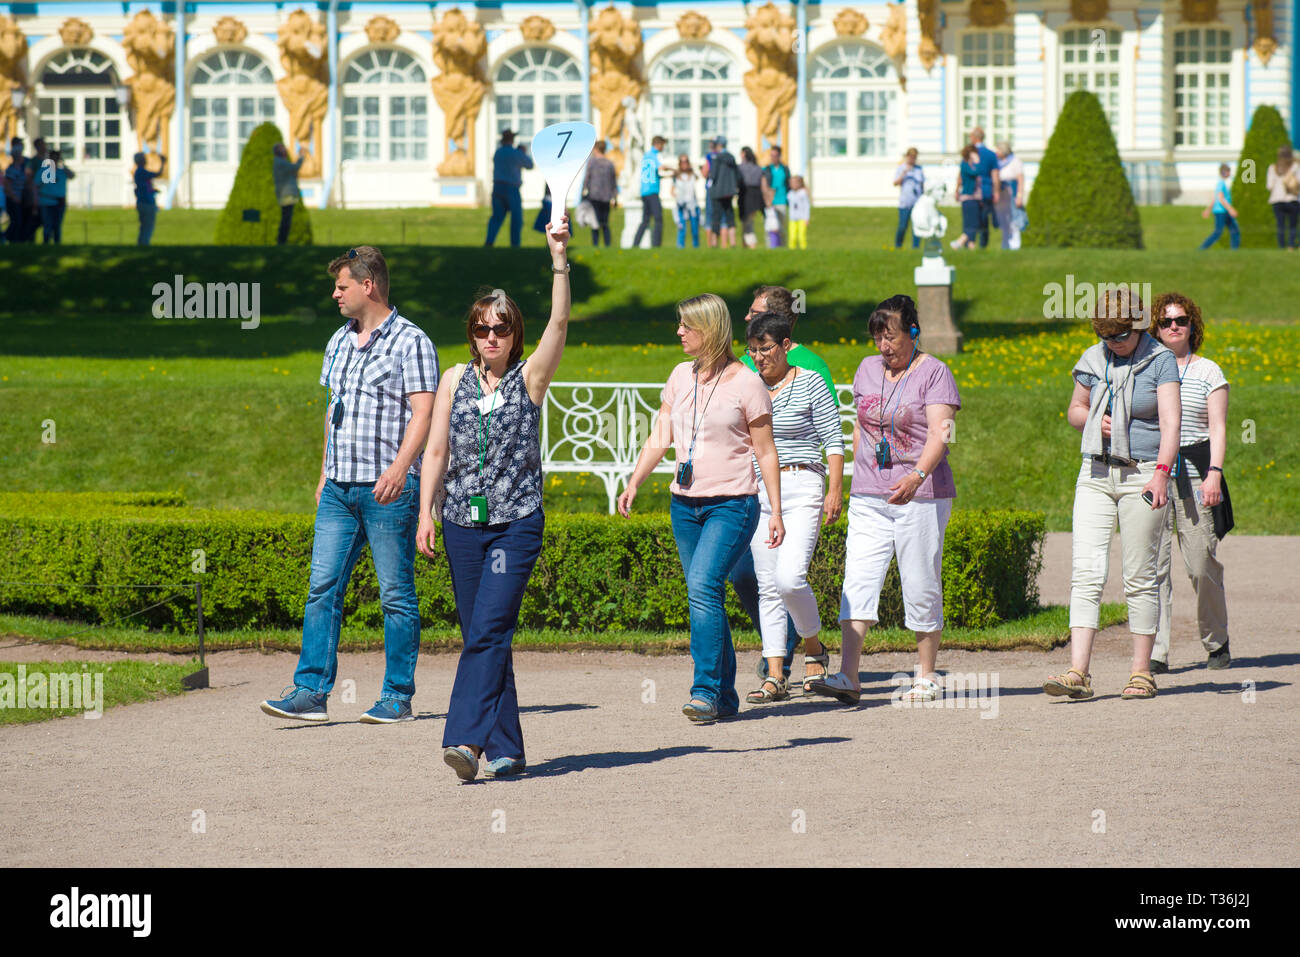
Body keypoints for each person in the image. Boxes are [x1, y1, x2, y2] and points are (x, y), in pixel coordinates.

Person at [418, 215, 571, 781]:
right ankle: (509, 746)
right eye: (482, 328)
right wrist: (424, 514)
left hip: (514, 524)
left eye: (501, 330)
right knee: (484, 632)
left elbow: (560, 321)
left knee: (488, 628)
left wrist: (558, 258)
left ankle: (465, 740)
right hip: (460, 522)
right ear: (471, 333)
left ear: (515, 335)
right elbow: (435, 452)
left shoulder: (529, 379)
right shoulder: (455, 378)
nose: (491, 338)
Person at [261, 246, 440, 724]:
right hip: (339, 488)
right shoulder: (338, 340)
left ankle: (397, 697)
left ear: (370, 285)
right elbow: (331, 410)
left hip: (387, 489)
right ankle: (309, 692)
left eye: (342, 286)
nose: (335, 294)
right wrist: (323, 472)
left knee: (395, 595)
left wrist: (401, 469)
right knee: (321, 588)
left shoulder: (411, 341)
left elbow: (423, 413)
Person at [617, 293, 784, 723]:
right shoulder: (678, 375)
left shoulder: (747, 382)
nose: (678, 332)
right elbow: (661, 434)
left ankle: (705, 690)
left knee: (703, 587)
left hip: (732, 505)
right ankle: (725, 697)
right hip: (684, 505)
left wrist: (777, 511)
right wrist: (635, 480)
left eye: (686, 326)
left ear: (709, 331)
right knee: (704, 593)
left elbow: (765, 452)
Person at [810, 294, 961, 705]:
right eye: (877, 337)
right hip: (869, 495)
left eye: (890, 336)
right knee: (858, 579)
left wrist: (916, 475)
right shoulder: (866, 368)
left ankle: (927, 675)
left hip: (921, 495)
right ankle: (848, 676)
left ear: (913, 331)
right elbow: (861, 428)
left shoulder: (935, 373)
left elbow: (941, 434)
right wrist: (851, 481)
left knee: (920, 580)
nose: (883, 346)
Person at [1045, 288, 1181, 701]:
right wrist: (1093, 420)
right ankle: (1077, 673)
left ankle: (1142, 672)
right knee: (1085, 572)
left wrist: (1161, 475)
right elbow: (1074, 411)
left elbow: (1171, 424)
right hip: (1096, 473)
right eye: (1107, 338)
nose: (1114, 345)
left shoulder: (1160, 362)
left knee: (1139, 576)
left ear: (1138, 328)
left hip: (1142, 474)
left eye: (1120, 337)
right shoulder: (1094, 358)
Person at [734, 285, 837, 687]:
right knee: (761, 582)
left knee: (788, 578)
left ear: (785, 340)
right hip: (756, 488)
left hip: (802, 482)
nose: (758, 355)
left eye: (755, 314)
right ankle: (774, 671)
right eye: (753, 348)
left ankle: (811, 647)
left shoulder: (812, 371)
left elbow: (832, 432)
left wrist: (834, 488)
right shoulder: (745, 372)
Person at [1150, 292, 1231, 673]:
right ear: (1156, 327)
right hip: (1154, 470)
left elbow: (1217, 427)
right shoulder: (1146, 367)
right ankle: (1156, 651)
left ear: (1192, 325)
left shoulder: (1209, 371)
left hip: (1197, 470)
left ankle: (1216, 641)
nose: (1173, 327)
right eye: (1165, 322)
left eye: (1180, 320)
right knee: (1155, 565)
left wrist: (1214, 472)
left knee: (1201, 562)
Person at [485, 129, 533, 248]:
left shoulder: (498, 152)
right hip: (512, 188)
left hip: (497, 187)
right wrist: (522, 152)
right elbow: (529, 165)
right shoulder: (516, 153)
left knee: (496, 217)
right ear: (512, 140)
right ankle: (515, 244)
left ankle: (489, 241)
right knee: (516, 219)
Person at [632, 134, 673, 248]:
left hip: (645, 191)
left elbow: (653, 174)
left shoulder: (646, 155)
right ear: (658, 144)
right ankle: (656, 245)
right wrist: (674, 169)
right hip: (652, 191)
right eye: (662, 145)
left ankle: (635, 244)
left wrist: (667, 176)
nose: (663, 147)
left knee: (645, 220)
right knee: (658, 218)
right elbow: (661, 167)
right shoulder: (653, 155)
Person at [968, 126, 1001, 248]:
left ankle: (970, 243)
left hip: (971, 190)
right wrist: (996, 191)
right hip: (986, 190)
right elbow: (995, 175)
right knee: (984, 219)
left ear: (975, 138)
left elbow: (962, 173)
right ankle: (983, 244)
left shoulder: (969, 153)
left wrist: (958, 189)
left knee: (971, 218)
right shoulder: (991, 154)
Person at [582, 138, 618, 247]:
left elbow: (587, 178)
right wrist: (615, 197)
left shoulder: (592, 162)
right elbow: (613, 182)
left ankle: (596, 244)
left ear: (596, 149)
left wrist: (584, 191)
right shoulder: (609, 163)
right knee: (605, 222)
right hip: (607, 196)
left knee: (595, 222)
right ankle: (607, 244)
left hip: (595, 195)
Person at [705, 135, 738, 249]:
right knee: (730, 216)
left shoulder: (716, 158)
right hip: (729, 191)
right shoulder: (731, 158)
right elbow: (736, 175)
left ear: (719, 145)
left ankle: (714, 242)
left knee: (716, 217)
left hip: (717, 192)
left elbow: (712, 175)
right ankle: (733, 242)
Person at [37, 149, 74, 244]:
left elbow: (72, 175)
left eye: (57, 158)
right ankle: (46, 244)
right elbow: (36, 186)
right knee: (47, 226)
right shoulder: (43, 171)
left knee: (57, 226)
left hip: (59, 203)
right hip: (46, 202)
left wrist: (64, 164)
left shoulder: (62, 172)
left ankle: (57, 245)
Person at [1266, 145, 1299, 250]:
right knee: (1292, 225)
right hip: (1292, 199)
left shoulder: (1273, 168)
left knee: (1280, 225)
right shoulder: (1296, 167)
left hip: (1277, 200)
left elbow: (1269, 186)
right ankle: (1291, 246)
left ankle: (1281, 247)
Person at [1199, 164, 1239, 250]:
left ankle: (1235, 251)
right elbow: (1220, 198)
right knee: (1218, 232)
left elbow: (1215, 198)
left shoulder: (1220, 183)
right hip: (1222, 211)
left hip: (1221, 211)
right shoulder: (1221, 184)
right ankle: (1202, 248)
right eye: (1228, 171)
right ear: (1224, 172)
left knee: (1234, 230)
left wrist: (1208, 209)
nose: (1229, 173)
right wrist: (1231, 209)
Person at [273, 142, 306, 245]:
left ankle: (282, 240)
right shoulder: (280, 162)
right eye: (283, 149)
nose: (285, 150)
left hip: (285, 193)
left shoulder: (280, 162)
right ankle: (282, 240)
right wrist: (301, 157)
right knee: (286, 218)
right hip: (286, 194)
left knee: (286, 217)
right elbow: (295, 167)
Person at [950, 145, 982, 250]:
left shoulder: (967, 164)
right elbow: (976, 172)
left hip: (972, 197)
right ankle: (959, 243)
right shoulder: (965, 164)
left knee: (969, 223)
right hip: (969, 197)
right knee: (973, 224)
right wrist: (977, 162)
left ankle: (970, 245)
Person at [995, 141, 1025, 250]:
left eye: (998, 149)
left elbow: (1020, 180)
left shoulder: (1015, 161)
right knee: (1003, 220)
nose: (996, 152)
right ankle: (1005, 244)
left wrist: (1020, 196)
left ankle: (1015, 245)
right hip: (1002, 194)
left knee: (1014, 220)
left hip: (1012, 193)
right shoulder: (997, 162)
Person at [893, 148, 924, 249]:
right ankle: (898, 245)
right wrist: (904, 173)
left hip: (917, 202)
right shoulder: (901, 168)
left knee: (917, 226)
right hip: (905, 202)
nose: (912, 159)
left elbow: (922, 184)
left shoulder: (919, 169)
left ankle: (916, 247)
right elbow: (895, 183)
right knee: (903, 226)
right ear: (907, 157)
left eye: (914, 157)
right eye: (911, 157)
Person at [133, 151, 165, 247]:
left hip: (144, 202)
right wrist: (162, 162)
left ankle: (142, 244)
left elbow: (143, 187)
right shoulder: (141, 172)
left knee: (145, 226)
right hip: (146, 203)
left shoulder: (139, 172)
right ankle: (144, 245)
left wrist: (153, 190)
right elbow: (158, 174)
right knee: (147, 226)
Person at [762, 145, 790, 247]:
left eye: (775, 155)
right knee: (769, 226)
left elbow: (788, 183)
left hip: (781, 200)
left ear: (779, 156)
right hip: (770, 201)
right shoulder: (767, 169)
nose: (773, 158)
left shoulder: (785, 169)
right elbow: (764, 185)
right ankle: (770, 246)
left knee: (781, 227)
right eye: (771, 156)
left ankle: (783, 246)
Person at [737, 147, 766, 249]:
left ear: (744, 154)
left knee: (747, 223)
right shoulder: (757, 168)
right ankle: (745, 245)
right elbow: (763, 185)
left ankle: (752, 244)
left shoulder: (740, 168)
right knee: (748, 222)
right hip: (756, 197)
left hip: (746, 196)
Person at [4, 138, 31, 243]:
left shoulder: (25, 164)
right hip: (14, 199)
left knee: (21, 221)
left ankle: (17, 240)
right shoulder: (11, 169)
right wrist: (14, 197)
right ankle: (8, 238)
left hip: (22, 198)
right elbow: (7, 185)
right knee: (16, 221)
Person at [673, 153, 701, 248]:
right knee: (682, 228)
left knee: (694, 229)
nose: (684, 164)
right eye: (682, 162)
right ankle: (680, 247)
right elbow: (672, 190)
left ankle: (696, 247)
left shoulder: (692, 175)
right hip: (681, 205)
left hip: (692, 205)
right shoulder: (676, 176)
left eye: (686, 162)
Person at [787, 174, 810, 249]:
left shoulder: (803, 193)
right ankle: (792, 250)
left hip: (802, 218)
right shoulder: (790, 194)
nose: (793, 185)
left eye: (794, 183)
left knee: (801, 236)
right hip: (792, 218)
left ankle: (803, 250)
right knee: (792, 236)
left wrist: (806, 218)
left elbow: (806, 206)